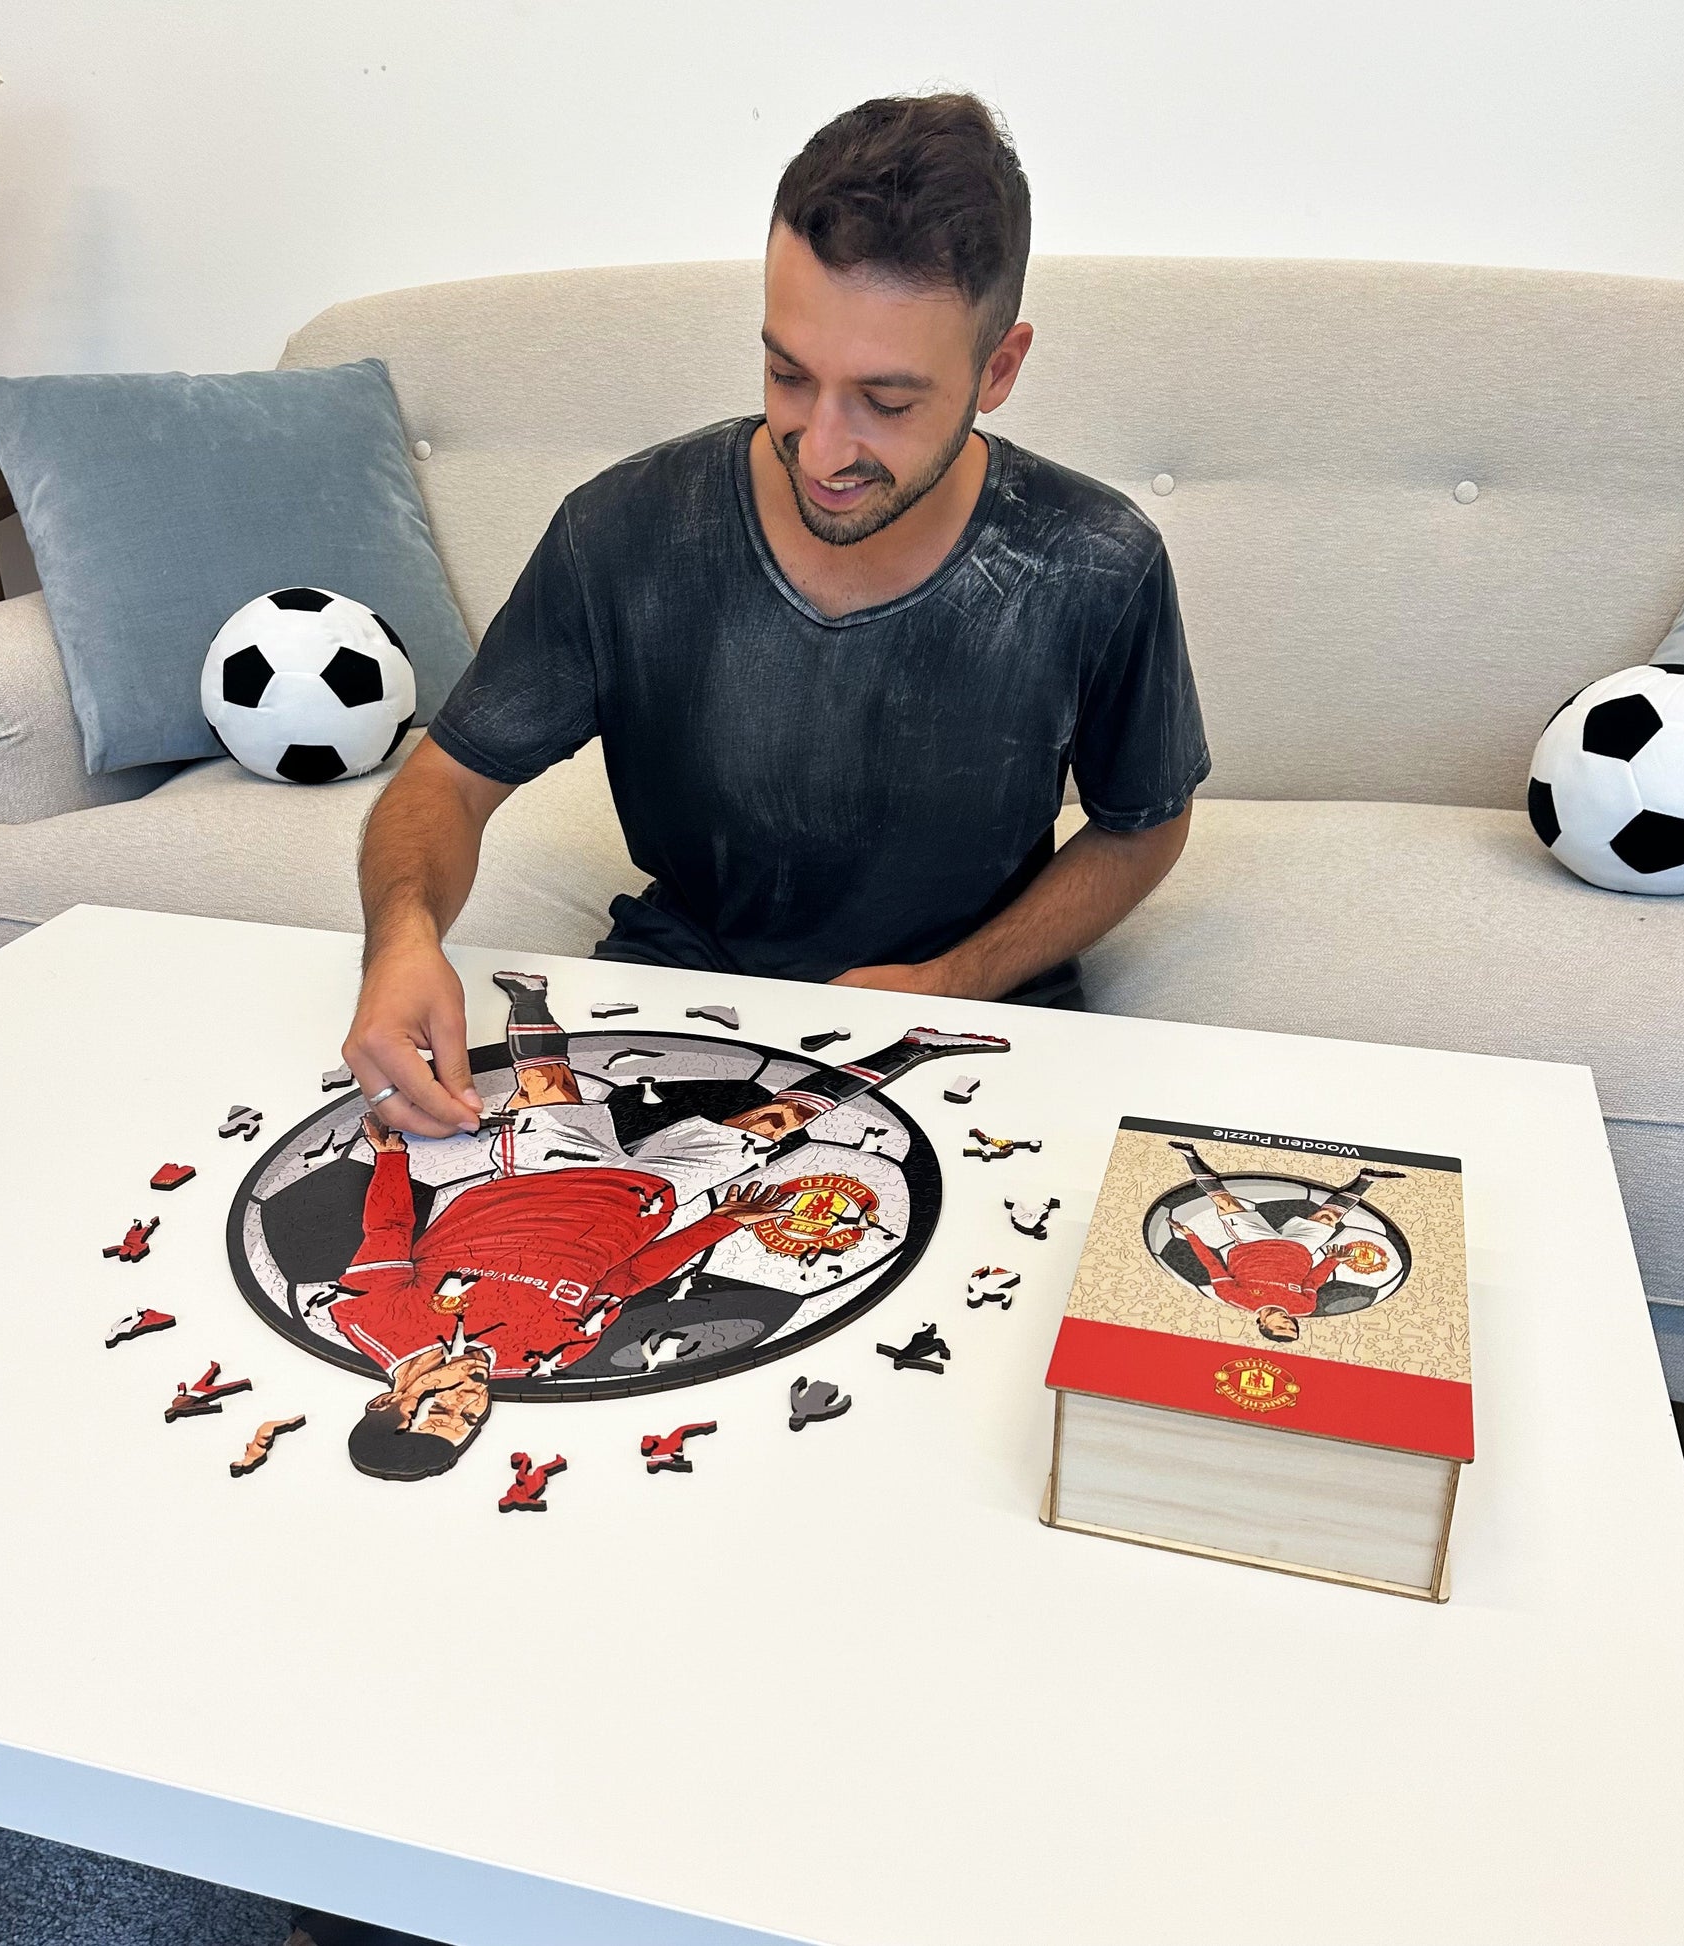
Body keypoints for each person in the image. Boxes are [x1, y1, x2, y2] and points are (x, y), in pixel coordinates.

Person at [342, 91, 1209, 1140]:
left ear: (999, 368)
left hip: (973, 1012)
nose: (823, 448)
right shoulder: (624, 530)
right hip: (684, 989)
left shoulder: (1095, 561)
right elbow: (445, 782)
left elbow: (1144, 825)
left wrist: (953, 979)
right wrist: (400, 938)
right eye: (788, 375)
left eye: (887, 402)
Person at [331, 971, 1006, 1480]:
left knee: (549, 1086)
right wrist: (718, 1223)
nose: (471, 1403)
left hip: (536, 1181)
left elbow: (387, 1234)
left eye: (445, 1411)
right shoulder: (546, 1356)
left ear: (386, 1404)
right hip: (646, 1199)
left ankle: (529, 996)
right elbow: (625, 1280)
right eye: (470, 1422)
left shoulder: (368, 1321)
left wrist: (390, 1159)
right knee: (774, 1123)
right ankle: (911, 1048)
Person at [1165, 1140, 1403, 1343]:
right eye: (1291, 1327)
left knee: (1225, 1203)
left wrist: (1190, 1236)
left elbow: (1212, 1265)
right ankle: (1366, 1179)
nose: (1288, 1322)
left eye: (1281, 1326)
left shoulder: (1234, 1298)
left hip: (1253, 1242)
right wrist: (1332, 1261)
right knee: (1328, 1217)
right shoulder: (1303, 1307)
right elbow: (1312, 1282)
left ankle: (1189, 1155)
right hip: (1299, 1248)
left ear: (1263, 1324)